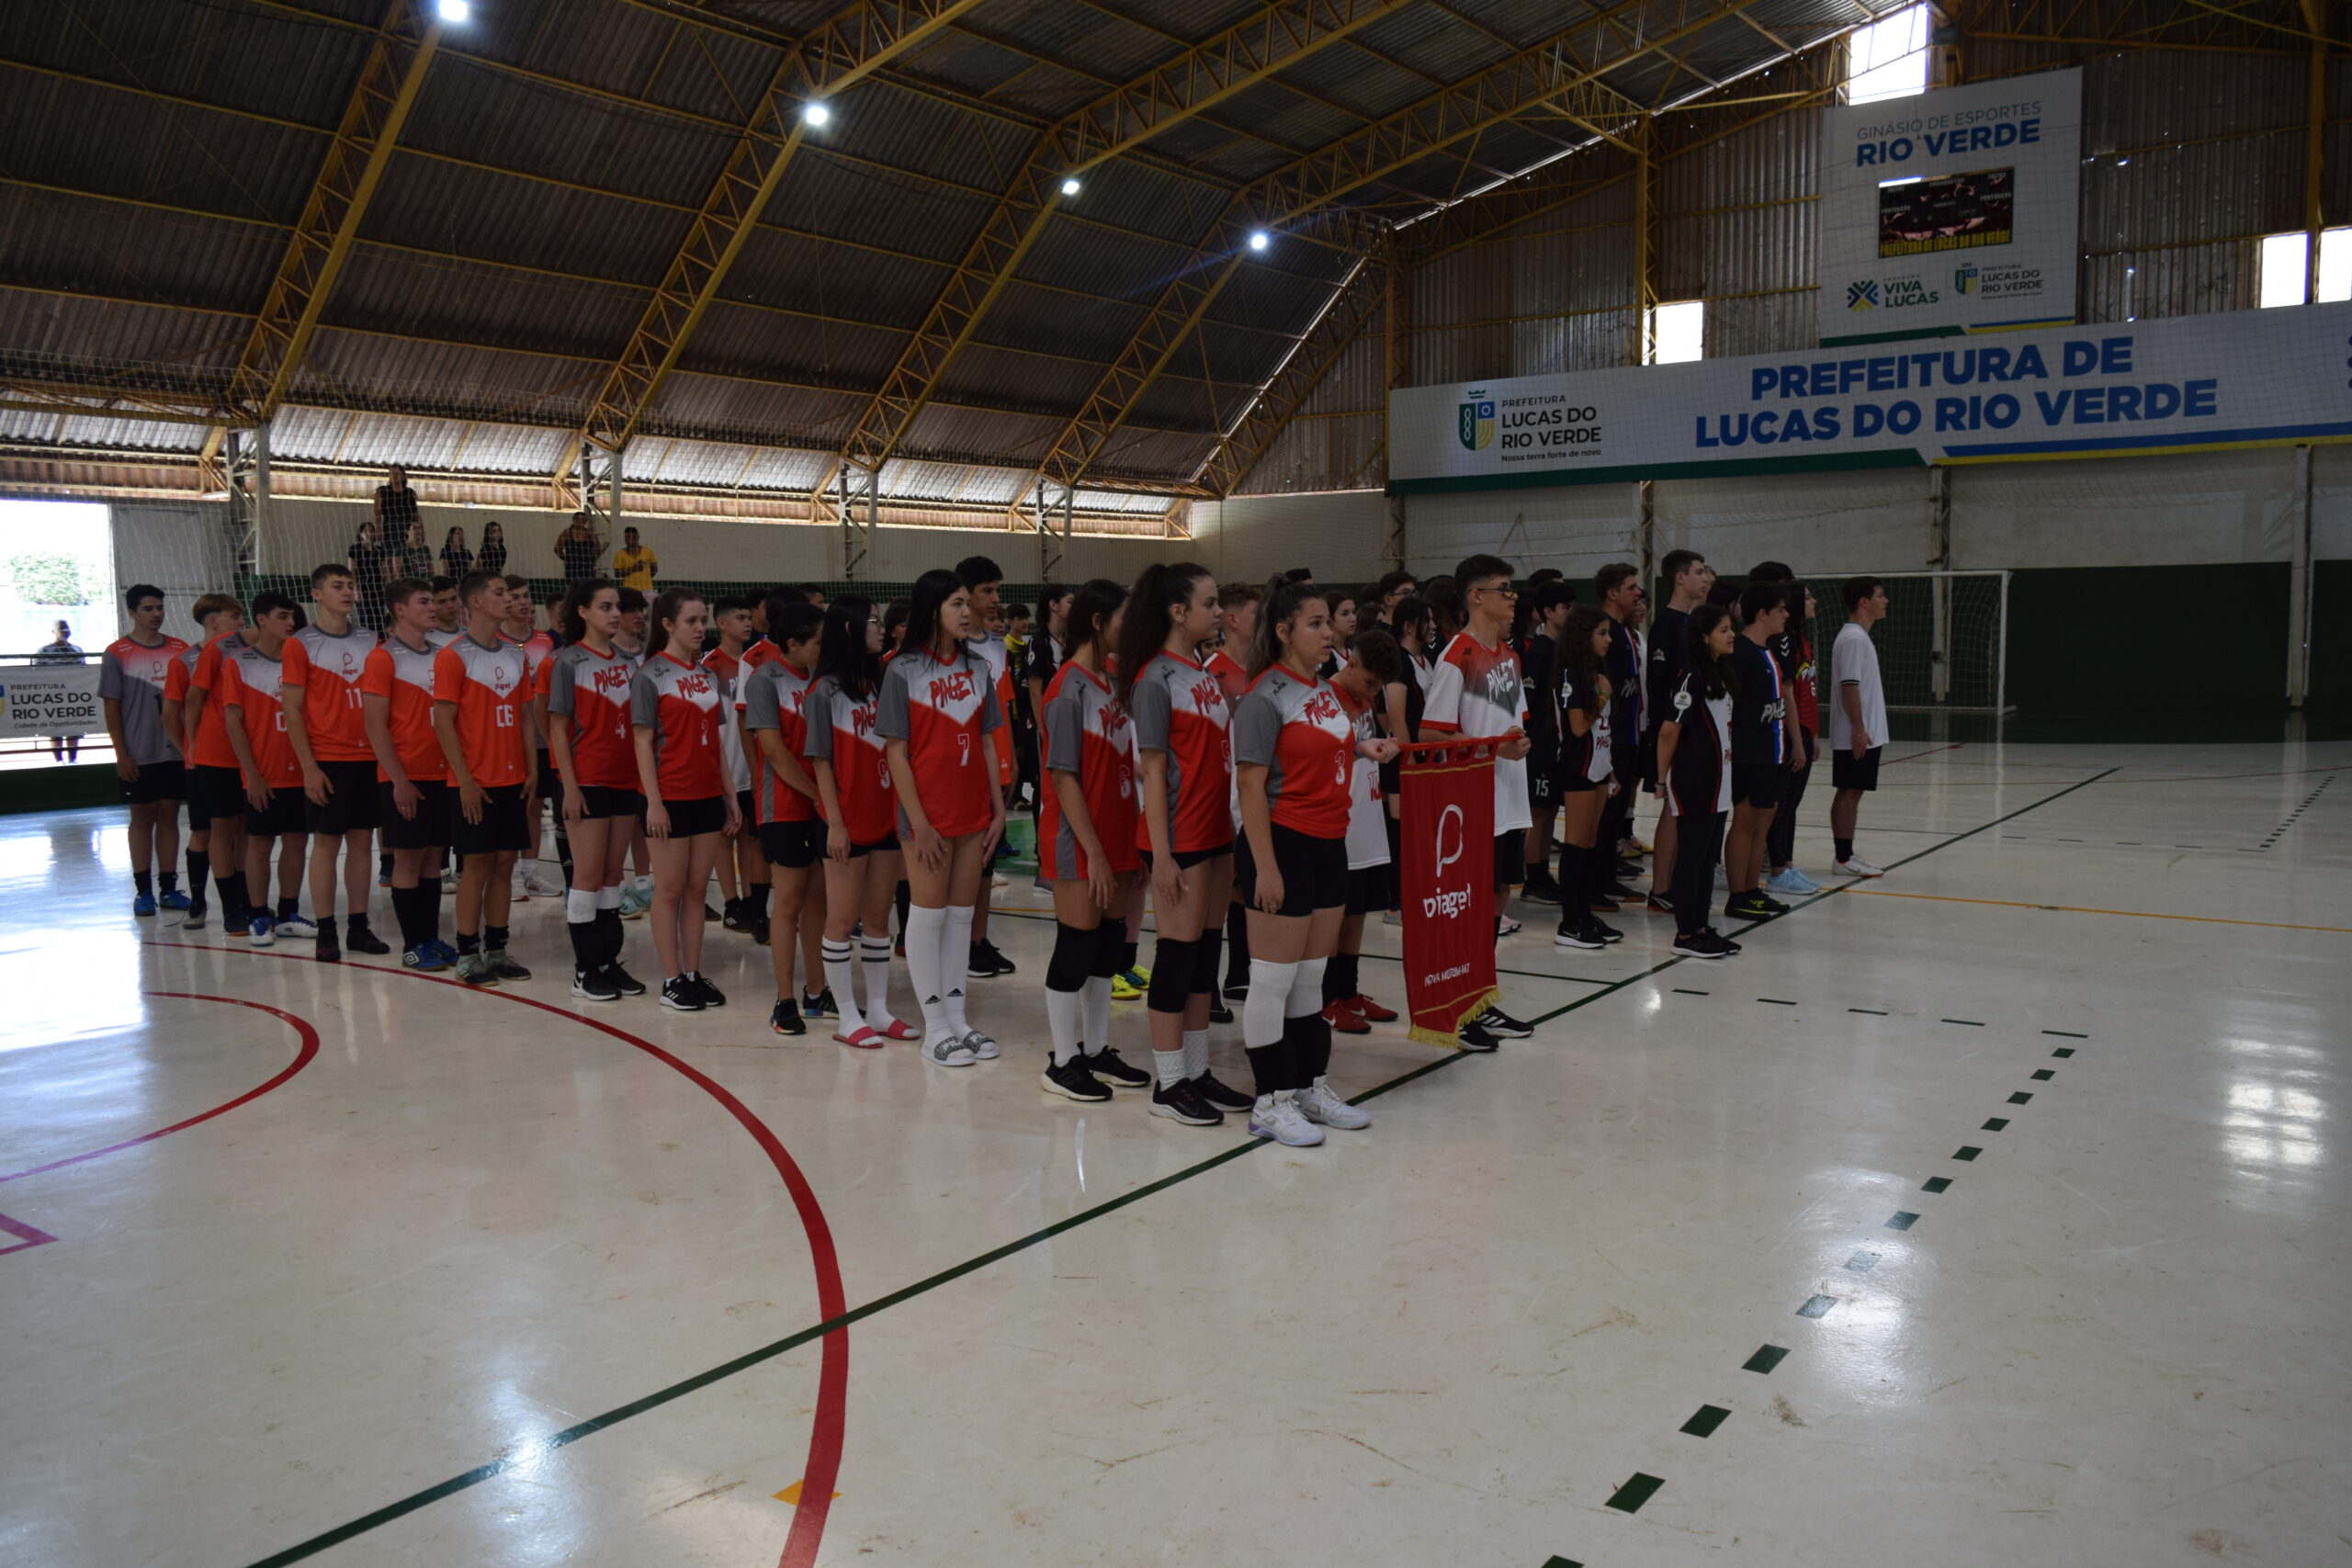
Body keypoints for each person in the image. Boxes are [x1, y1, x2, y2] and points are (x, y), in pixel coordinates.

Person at [1232, 574, 1395, 1146]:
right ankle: (1269, 1102)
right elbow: (1251, 785)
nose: (1331, 633)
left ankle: (1308, 1087)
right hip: (1283, 845)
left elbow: (1320, 740)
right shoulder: (1261, 696)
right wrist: (1266, 867)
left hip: (1331, 846)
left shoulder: (1324, 690)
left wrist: (1361, 746)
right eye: (1317, 623)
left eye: (1330, 621)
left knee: (1309, 979)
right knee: (1272, 981)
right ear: (1283, 631)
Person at [1119, 562, 1253, 1122]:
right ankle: (1168, 1084)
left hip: (1214, 833)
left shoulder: (1200, 673)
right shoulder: (1154, 679)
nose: (1219, 612)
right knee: (1176, 959)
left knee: (1203, 960)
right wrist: (1164, 857)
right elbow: (1151, 772)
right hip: (1178, 838)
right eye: (1210, 603)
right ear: (1179, 612)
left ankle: (1197, 1072)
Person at [1030, 579, 1157, 1102]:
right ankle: (1061, 1061)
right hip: (1079, 841)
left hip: (1119, 835)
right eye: (1124, 619)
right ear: (1099, 623)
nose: (1131, 630)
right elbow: (1063, 778)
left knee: (1108, 951)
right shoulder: (1067, 688)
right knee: (1076, 946)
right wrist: (1098, 854)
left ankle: (1097, 1048)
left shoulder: (1110, 682)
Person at [878, 568, 1007, 1068]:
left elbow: (989, 737)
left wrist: (998, 808)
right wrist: (920, 822)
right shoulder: (902, 669)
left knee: (960, 919)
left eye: (965, 603)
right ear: (932, 608)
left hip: (974, 811)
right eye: (956, 603)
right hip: (927, 817)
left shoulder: (978, 668)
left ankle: (959, 1018)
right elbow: (896, 752)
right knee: (927, 918)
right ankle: (935, 1029)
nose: (967, 612)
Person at [1418, 553, 1535, 1047]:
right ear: (1475, 597)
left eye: (1512, 589)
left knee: (1500, 895)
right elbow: (1430, 736)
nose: (1512, 598)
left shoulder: (1508, 655)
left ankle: (1482, 998)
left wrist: (1514, 744)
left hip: (1510, 798)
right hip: (1473, 805)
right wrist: (1494, 750)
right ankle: (1460, 1008)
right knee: (1470, 906)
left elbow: (1512, 724)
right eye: (1503, 589)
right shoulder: (1457, 657)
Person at [801, 595, 916, 1049]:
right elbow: (821, 763)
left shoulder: (882, 679)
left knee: (876, 918)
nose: (880, 628)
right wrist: (835, 823)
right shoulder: (823, 691)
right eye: (872, 621)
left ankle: (879, 1009)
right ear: (849, 629)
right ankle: (847, 1015)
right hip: (845, 821)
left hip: (885, 816)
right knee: (842, 917)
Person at [631, 588, 739, 1011]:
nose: (701, 628)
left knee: (697, 889)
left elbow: (716, 744)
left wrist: (730, 796)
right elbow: (642, 744)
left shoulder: (708, 675)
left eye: (703, 620)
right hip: (669, 796)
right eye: (692, 621)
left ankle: (693, 973)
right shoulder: (650, 675)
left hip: (708, 795)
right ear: (668, 625)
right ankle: (672, 978)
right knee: (671, 889)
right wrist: (654, 803)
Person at [544, 578, 646, 1001]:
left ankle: (607, 962)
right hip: (587, 778)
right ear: (582, 612)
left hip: (624, 779)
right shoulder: (568, 662)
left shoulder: (629, 663)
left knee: (610, 875)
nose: (615, 614)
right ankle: (584, 971)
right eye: (605, 607)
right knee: (586, 876)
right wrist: (569, 788)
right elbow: (557, 727)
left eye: (617, 606)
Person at [433, 570, 537, 987]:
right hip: (474, 781)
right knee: (475, 866)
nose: (507, 599)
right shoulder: (453, 656)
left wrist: (529, 770)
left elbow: (527, 719)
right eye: (498, 593)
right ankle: (467, 953)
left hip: (513, 779)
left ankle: (497, 949)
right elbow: (443, 723)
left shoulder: (516, 653)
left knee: (505, 864)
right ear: (475, 601)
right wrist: (465, 780)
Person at [281, 563, 389, 962]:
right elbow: (292, 710)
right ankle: (326, 930)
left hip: (367, 756)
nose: (347, 592)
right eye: (337, 586)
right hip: (327, 758)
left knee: (362, 842)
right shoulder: (301, 644)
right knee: (326, 844)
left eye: (350, 585)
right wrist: (309, 767)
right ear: (317, 595)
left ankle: (358, 928)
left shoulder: (369, 639)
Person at [742, 593, 831, 1034]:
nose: (822, 650)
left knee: (819, 899)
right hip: (785, 807)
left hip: (820, 804)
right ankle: (784, 999)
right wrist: (817, 793)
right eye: (816, 642)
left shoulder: (820, 677)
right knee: (790, 901)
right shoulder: (764, 680)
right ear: (793, 643)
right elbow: (773, 751)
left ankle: (817, 990)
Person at [361, 578, 456, 971]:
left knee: (434, 861)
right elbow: (374, 724)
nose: (432, 608)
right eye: (423, 602)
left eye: (433, 601)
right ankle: (412, 945)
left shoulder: (442, 655)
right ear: (400, 609)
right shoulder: (383, 658)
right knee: (408, 861)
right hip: (406, 775)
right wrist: (398, 778)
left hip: (441, 774)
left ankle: (431, 937)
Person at [218, 592, 315, 945]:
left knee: (296, 841)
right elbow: (233, 722)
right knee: (259, 843)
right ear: (261, 619)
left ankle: (288, 911)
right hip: (263, 773)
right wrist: (252, 774)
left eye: (292, 617)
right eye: (283, 616)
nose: (291, 623)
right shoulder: (239, 662)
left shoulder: (301, 660)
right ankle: (258, 915)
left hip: (301, 771)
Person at [1323, 628, 1406, 1032]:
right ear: (1351, 663)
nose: (1373, 692)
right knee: (1333, 912)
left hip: (1367, 817)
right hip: (1339, 819)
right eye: (1370, 682)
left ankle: (1348, 991)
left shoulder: (1363, 699)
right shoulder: (1326, 698)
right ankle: (1325, 999)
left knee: (1356, 912)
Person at [1657, 605, 1742, 958]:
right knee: (1691, 857)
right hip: (1695, 780)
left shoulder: (1719, 673)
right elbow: (1668, 731)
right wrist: (1661, 779)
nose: (1731, 634)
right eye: (1724, 629)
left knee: (1708, 858)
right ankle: (1685, 936)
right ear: (1705, 636)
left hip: (1720, 781)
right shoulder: (1691, 678)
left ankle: (1702, 926)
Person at [163, 592, 251, 931]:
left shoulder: (246, 656)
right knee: (205, 831)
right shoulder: (184, 661)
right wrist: (187, 747)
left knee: (243, 828)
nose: (242, 622)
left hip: (241, 759)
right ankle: (200, 901)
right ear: (214, 620)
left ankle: (244, 901)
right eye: (235, 615)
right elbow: (171, 712)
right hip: (204, 762)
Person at [100, 585, 190, 916]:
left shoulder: (180, 649)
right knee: (142, 819)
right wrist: (122, 753)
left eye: (159, 608)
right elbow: (112, 708)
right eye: (149, 609)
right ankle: (143, 892)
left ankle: (168, 888)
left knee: (169, 817)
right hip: (139, 751)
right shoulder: (117, 652)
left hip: (175, 751)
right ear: (132, 612)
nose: (156, 614)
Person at [955, 555, 1019, 979]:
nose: (996, 600)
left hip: (999, 762)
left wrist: (1012, 763)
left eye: (998, 590)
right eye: (987, 591)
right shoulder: (957, 648)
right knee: (967, 865)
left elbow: (1005, 711)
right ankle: (961, 945)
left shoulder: (996, 645)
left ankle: (978, 939)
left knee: (987, 863)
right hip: (967, 768)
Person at [1643, 548, 1714, 918]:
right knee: (1672, 808)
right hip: (1674, 731)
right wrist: (1664, 739)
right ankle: (1660, 888)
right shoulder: (1667, 625)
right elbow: (1660, 688)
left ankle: (1673, 883)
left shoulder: (1693, 622)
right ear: (1680, 578)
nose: (1705, 578)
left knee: (1682, 810)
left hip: (1695, 734)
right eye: (1699, 571)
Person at [1549, 605, 1623, 950]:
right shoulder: (1570, 675)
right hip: (1577, 767)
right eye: (1602, 633)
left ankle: (1584, 914)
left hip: (1597, 767)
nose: (1608, 640)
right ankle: (1570, 922)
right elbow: (1579, 727)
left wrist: (1609, 770)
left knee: (1591, 842)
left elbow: (1602, 732)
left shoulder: (1595, 673)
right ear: (1584, 636)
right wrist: (1604, 695)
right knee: (1576, 843)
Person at [1724, 581, 1798, 922]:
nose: (1786, 615)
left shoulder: (1768, 651)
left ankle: (1753, 889)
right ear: (1762, 613)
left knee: (1763, 823)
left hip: (1773, 749)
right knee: (1745, 821)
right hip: (1748, 751)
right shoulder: (1738, 652)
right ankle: (1737, 894)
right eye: (1780, 610)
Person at [707, 596, 773, 941]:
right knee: (725, 834)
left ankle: (751, 900)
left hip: (753, 762)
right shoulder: (711, 664)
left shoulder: (757, 660)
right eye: (740, 618)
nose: (748, 623)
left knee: (751, 835)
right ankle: (731, 903)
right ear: (721, 624)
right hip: (727, 762)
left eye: (750, 617)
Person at [1209, 580, 1259, 1004]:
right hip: (1226, 789)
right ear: (1233, 620)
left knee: (1251, 879)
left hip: (1258, 786)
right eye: (1256, 615)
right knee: (1231, 880)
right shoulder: (1214, 673)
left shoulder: (1264, 671)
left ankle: (1244, 969)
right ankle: (1229, 973)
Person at [501, 576, 564, 904]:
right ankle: (510, 875)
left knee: (537, 804)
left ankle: (530, 872)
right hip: (510, 736)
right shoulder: (494, 640)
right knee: (515, 805)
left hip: (542, 735)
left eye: (527, 596)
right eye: (515, 597)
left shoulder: (544, 641)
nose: (524, 602)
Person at [1512, 581, 1576, 905]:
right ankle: (1532, 878)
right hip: (1539, 744)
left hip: (1556, 744)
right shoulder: (1539, 650)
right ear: (1548, 613)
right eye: (1566, 608)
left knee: (1550, 810)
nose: (1571, 614)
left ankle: (1542, 872)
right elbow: (1528, 702)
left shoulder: (1561, 649)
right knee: (1538, 813)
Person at [1764, 575, 1825, 897]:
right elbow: (1787, 693)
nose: (1814, 602)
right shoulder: (1784, 641)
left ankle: (1786, 865)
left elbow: (1806, 693)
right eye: (1809, 597)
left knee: (1792, 805)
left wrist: (1812, 734)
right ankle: (1777, 870)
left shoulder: (1802, 639)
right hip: (1790, 732)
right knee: (1783, 804)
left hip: (1804, 729)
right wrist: (1797, 740)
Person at [1591, 562, 1647, 906]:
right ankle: (1594, 883)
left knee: (1614, 818)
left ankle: (1609, 876)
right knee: (1603, 816)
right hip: (1610, 739)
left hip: (1629, 735)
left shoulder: (1626, 631)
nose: (1638, 593)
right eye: (1630, 587)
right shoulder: (1605, 631)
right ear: (1612, 594)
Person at [1829, 575, 1890, 877]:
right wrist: (1857, 727)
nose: (1885, 600)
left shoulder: (1859, 636)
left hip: (1864, 730)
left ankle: (1846, 853)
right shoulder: (1853, 638)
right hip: (1855, 732)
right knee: (1849, 791)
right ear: (1864, 602)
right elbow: (1849, 685)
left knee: (1854, 792)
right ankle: (1842, 858)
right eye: (1880, 595)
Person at [35, 621, 84, 761]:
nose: (65, 631)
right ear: (53, 631)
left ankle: (73, 760)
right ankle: (58, 760)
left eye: (67, 628)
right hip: (52, 698)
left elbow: (85, 671)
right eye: (61, 628)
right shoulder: (43, 651)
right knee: (55, 729)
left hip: (74, 696)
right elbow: (35, 675)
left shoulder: (77, 650)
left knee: (75, 728)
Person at [347, 521, 393, 631]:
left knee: (379, 616)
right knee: (365, 617)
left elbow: (385, 570)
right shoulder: (355, 549)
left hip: (378, 587)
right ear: (360, 534)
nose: (369, 533)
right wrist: (355, 590)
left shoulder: (379, 550)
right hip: (363, 587)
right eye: (366, 531)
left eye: (371, 530)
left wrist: (389, 587)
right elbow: (351, 571)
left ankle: (380, 639)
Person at [554, 511, 604, 585]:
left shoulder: (591, 533)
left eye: (583, 520)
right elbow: (557, 549)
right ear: (574, 520)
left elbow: (598, 550)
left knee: (587, 589)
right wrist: (566, 559)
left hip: (586, 568)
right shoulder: (567, 533)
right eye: (578, 520)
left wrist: (591, 560)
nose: (581, 522)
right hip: (571, 569)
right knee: (573, 590)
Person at [373, 464, 419, 541]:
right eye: (391, 473)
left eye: (397, 474)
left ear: (403, 476)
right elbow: (377, 513)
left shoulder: (409, 492)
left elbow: (416, 514)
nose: (394, 476)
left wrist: (420, 530)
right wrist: (378, 528)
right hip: (390, 527)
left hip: (408, 527)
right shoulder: (382, 491)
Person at [612, 525, 658, 592]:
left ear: (637, 537)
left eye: (630, 537)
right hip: (629, 590)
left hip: (647, 589)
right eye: (626, 538)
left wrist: (645, 579)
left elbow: (655, 570)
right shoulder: (620, 554)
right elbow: (617, 574)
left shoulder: (648, 551)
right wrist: (633, 569)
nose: (628, 540)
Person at [426, 575, 463, 647]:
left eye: (453, 599)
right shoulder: (424, 639)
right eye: (442, 602)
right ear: (431, 604)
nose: (450, 606)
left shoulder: (470, 634)